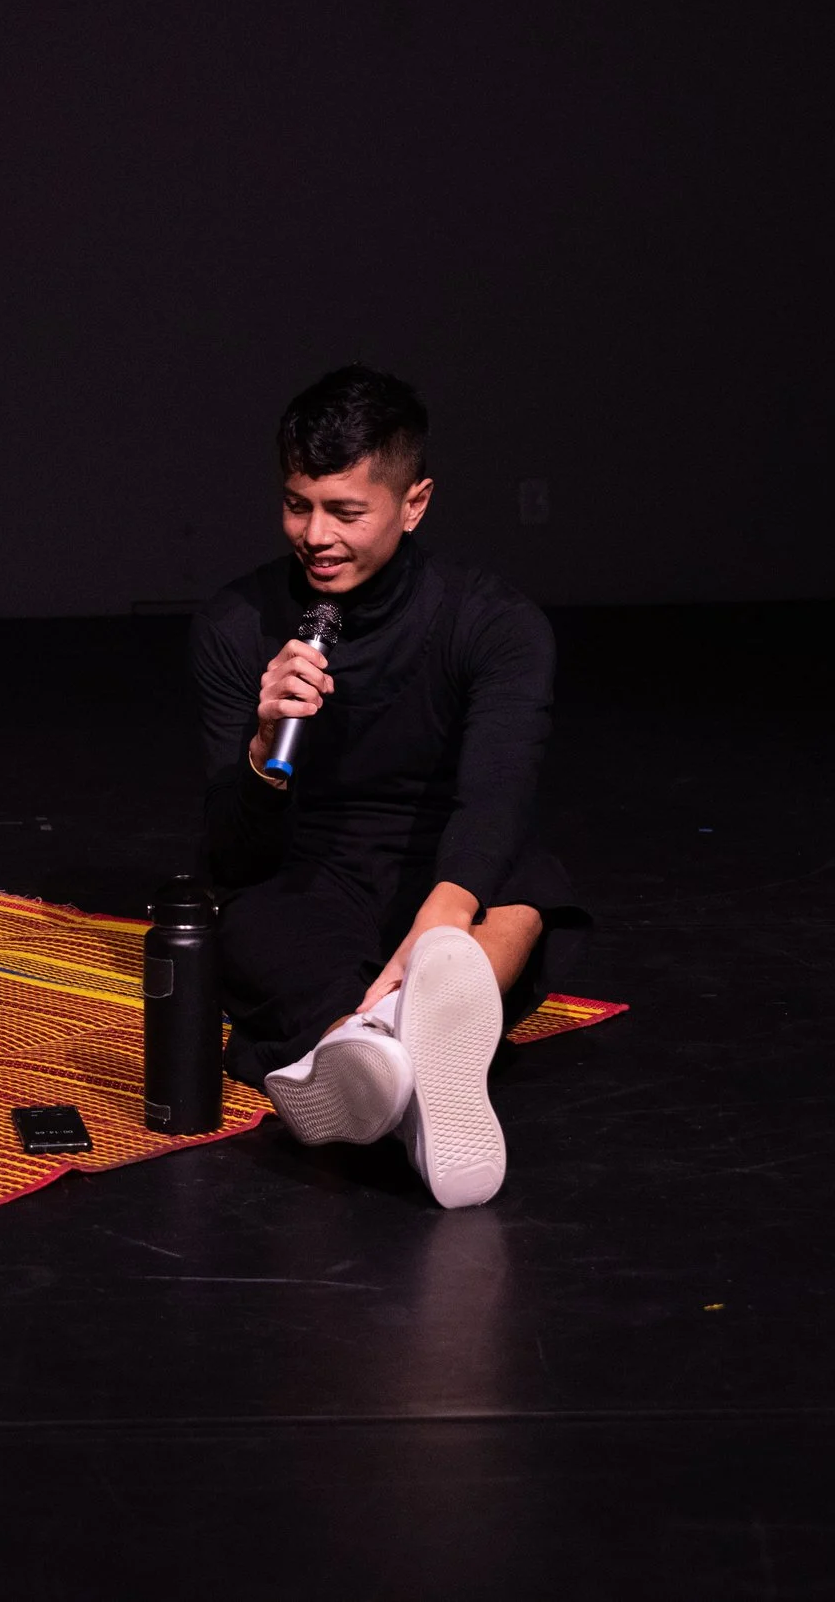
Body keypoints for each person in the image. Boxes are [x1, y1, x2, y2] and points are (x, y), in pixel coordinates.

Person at [188, 366, 582, 1208]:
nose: (316, 534)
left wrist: (438, 927)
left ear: (415, 502)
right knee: (252, 920)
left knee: (518, 879)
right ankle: (393, 1059)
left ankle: (393, 1044)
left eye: (346, 511)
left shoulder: (494, 622)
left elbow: (495, 794)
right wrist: (263, 747)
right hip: (316, 866)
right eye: (299, 504)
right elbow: (231, 848)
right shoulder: (235, 623)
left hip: (444, 864)